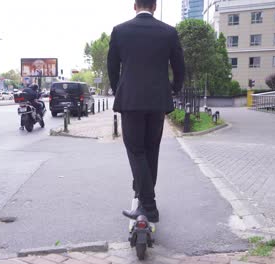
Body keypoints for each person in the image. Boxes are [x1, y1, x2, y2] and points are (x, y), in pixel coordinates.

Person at [107, 0, 185, 223]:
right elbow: (179, 67)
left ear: (134, 6)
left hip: (131, 100)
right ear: (154, 7)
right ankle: (143, 193)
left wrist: (118, 88)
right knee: (151, 149)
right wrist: (173, 88)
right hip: (158, 101)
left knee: (136, 150)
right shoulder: (169, 32)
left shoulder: (120, 31)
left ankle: (149, 205)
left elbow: (112, 67)